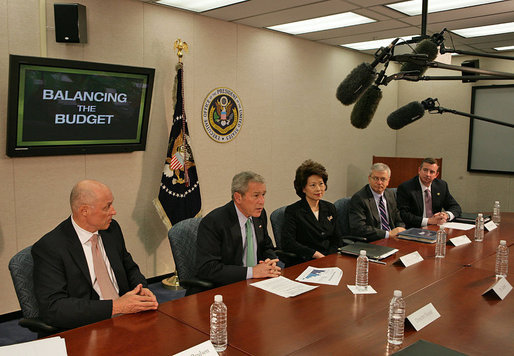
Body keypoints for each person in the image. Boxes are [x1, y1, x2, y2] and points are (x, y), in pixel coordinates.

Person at [32, 180, 158, 331]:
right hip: (88, 326)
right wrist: (115, 307)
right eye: (107, 207)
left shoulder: (111, 229)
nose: (113, 211)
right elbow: (54, 308)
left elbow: (129, 268)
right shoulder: (50, 247)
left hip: (127, 318)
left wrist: (141, 288)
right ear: (84, 211)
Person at [195, 171, 281, 289]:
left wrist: (269, 261)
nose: (262, 201)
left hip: (257, 284)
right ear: (238, 197)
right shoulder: (214, 222)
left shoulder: (259, 215)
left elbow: (266, 246)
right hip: (225, 287)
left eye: (263, 195)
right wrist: (252, 272)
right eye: (256, 195)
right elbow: (208, 268)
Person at [281, 160, 340, 265]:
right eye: (313, 185)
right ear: (303, 188)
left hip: (328, 260)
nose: (318, 189)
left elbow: (336, 239)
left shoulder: (330, 208)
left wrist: (330, 257)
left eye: (321, 184)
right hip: (304, 261)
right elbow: (288, 243)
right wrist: (314, 254)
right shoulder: (293, 211)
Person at [397, 158, 462, 228]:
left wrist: (446, 215)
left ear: (436, 175)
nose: (428, 174)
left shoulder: (441, 186)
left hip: (436, 227)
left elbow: (456, 207)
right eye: (425, 170)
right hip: (416, 228)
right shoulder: (406, 187)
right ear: (419, 170)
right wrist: (429, 221)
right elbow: (404, 214)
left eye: (431, 172)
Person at [349, 163, 405, 241]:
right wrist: (387, 234)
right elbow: (359, 228)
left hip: (393, 239)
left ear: (388, 181)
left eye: (383, 179)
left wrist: (400, 230)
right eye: (375, 178)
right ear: (369, 179)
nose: (379, 182)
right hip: (373, 241)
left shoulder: (390, 194)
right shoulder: (359, 198)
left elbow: (398, 218)